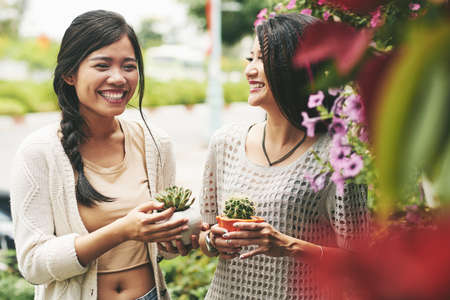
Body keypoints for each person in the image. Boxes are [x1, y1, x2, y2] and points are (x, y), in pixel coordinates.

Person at [10, 10, 191, 300]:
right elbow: (33, 264)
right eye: (102, 65)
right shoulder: (39, 152)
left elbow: (162, 249)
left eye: (129, 66)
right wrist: (122, 230)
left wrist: (174, 242)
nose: (118, 78)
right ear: (70, 73)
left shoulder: (157, 143)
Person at [198, 13, 372, 299]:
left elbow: (359, 262)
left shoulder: (336, 155)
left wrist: (287, 245)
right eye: (249, 59)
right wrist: (213, 240)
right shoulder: (225, 143)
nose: (250, 70)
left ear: (297, 67)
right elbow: (205, 238)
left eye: (262, 59)